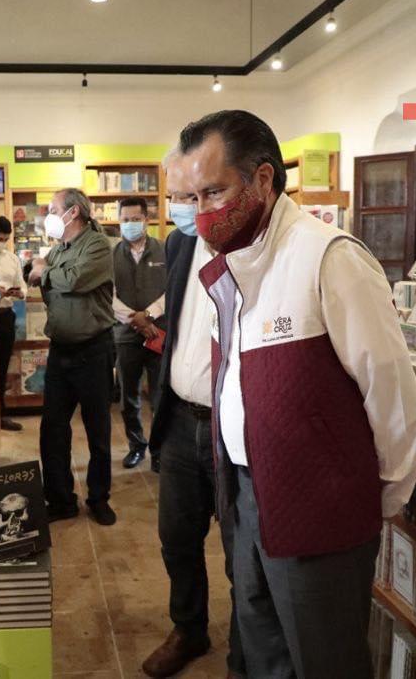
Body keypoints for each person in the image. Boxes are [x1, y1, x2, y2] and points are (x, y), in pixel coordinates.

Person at [177, 110, 416, 679]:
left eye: (213, 191)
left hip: (321, 509)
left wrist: (377, 499)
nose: (201, 212)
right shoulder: (232, 262)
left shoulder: (329, 257)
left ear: (263, 180)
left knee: (325, 660)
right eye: (193, 196)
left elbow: (392, 396)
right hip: (245, 493)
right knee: (261, 649)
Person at [142, 151, 246, 678]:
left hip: (235, 430)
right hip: (182, 422)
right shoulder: (179, 243)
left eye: (198, 194)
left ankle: (247, 651)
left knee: (240, 550)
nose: (185, 207)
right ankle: (189, 629)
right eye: (180, 196)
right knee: (176, 537)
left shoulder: (254, 248)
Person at [28, 188, 117, 526]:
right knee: (52, 429)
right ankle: (61, 499)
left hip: (93, 350)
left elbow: (75, 280)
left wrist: (43, 270)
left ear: (74, 212)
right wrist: (37, 269)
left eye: (53, 209)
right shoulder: (60, 248)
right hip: (61, 350)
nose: (48, 215)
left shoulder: (97, 245)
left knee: (98, 430)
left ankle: (99, 498)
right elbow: (38, 277)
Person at [112, 197, 167, 470]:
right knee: (128, 396)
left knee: (159, 395)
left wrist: (150, 316)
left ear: (147, 219)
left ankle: (158, 450)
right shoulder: (110, 254)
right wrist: (135, 320)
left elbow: (173, 287)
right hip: (124, 335)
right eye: (125, 220)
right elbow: (106, 295)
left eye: (135, 219)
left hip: (158, 332)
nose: (130, 224)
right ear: (118, 221)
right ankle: (137, 447)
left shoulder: (164, 249)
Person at [0, 215, 27, 432]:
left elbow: (21, 283)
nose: (1, 242)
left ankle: (2, 415)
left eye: (4, 238)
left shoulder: (12, 258)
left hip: (5, 315)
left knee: (2, 366)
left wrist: (21, 292)